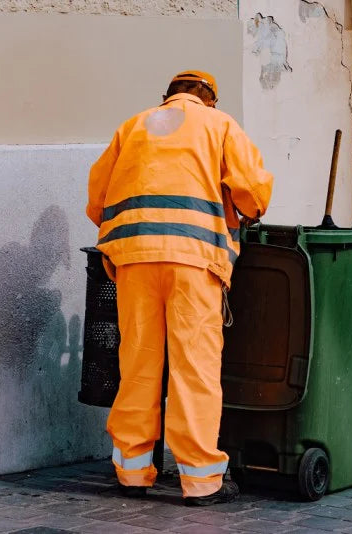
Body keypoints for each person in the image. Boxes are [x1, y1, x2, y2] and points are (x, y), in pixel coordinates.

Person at [86, 70, 273, 506]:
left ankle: (132, 472)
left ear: (167, 97)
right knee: (195, 368)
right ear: (209, 99)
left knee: (138, 364)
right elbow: (253, 193)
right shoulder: (220, 124)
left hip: (133, 259)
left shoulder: (132, 126)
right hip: (194, 260)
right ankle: (201, 481)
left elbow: (96, 200)